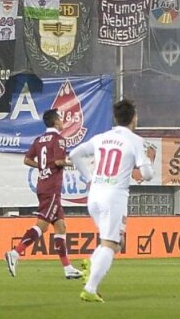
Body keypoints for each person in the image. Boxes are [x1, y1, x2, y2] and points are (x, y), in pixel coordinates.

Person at [69, 99, 155, 303]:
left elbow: (74, 154)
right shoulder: (135, 141)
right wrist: (144, 165)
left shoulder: (102, 137)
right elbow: (147, 174)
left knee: (117, 241)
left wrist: (89, 178)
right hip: (114, 196)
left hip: (95, 195)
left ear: (115, 118)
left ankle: (92, 263)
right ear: (134, 118)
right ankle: (90, 288)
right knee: (110, 243)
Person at [4, 109, 83, 280]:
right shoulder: (59, 140)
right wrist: (74, 163)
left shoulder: (39, 140)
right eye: (61, 119)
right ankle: (15, 253)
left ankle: (68, 267)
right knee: (42, 225)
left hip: (43, 185)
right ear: (55, 122)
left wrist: (42, 167)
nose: (62, 122)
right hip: (52, 188)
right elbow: (59, 161)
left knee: (60, 226)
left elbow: (27, 159)